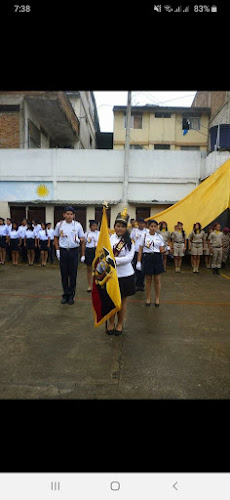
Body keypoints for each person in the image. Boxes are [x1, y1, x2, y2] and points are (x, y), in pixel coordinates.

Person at [107, 208, 135, 335]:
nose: (120, 229)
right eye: (118, 226)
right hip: (111, 275)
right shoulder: (108, 239)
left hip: (125, 275)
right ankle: (111, 323)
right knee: (111, 301)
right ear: (114, 226)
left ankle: (119, 323)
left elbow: (129, 258)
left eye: (122, 226)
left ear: (125, 228)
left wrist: (114, 260)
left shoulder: (130, 241)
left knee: (122, 302)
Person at [54, 206, 85, 305]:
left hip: (74, 251)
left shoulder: (78, 225)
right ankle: (65, 295)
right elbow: (55, 237)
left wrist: (80, 246)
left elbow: (83, 239)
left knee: (73, 275)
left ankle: (71, 296)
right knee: (64, 274)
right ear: (64, 215)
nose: (69, 216)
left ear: (74, 215)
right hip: (63, 251)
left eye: (71, 214)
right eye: (67, 214)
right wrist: (57, 250)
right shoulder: (59, 225)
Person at [137, 219, 165, 307]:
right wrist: (138, 262)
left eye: (155, 226)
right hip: (148, 257)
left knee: (157, 279)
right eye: (151, 226)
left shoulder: (159, 237)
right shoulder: (144, 236)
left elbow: (161, 249)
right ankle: (148, 298)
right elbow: (140, 250)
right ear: (148, 227)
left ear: (157, 227)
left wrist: (165, 250)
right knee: (148, 279)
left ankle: (157, 298)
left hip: (157, 258)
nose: (153, 228)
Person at [130, 217, 148, 291]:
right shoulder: (134, 231)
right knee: (135, 268)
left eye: (142, 223)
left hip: (144, 252)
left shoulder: (147, 231)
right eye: (140, 223)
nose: (141, 225)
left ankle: (141, 284)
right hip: (136, 251)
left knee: (143, 269)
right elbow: (131, 240)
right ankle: (136, 284)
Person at [84, 220, 100, 292]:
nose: (95, 227)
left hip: (96, 251)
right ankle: (89, 285)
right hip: (89, 251)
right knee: (89, 269)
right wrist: (83, 255)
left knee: (97, 269)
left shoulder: (99, 233)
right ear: (90, 226)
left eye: (96, 226)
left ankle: (97, 284)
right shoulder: (87, 234)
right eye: (93, 226)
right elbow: (83, 244)